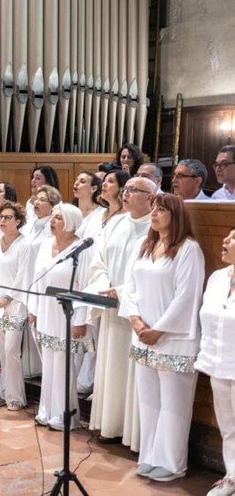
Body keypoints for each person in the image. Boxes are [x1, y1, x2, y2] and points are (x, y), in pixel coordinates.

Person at [120, 193, 205, 482]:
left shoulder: (188, 249)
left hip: (173, 338)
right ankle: (150, 456)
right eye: (153, 208)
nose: (154, 213)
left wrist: (159, 329)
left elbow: (186, 296)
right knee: (149, 401)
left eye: (161, 209)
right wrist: (135, 319)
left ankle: (171, 463)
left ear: (176, 215)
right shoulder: (144, 245)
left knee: (174, 404)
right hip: (142, 334)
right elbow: (129, 285)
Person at [87, 176, 155, 448]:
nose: (125, 194)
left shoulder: (156, 226)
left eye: (133, 190)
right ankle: (111, 425)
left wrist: (123, 290)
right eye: (125, 190)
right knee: (111, 367)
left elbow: (153, 271)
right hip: (112, 309)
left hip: (138, 314)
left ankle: (132, 433)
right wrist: (105, 285)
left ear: (151, 197)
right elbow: (98, 261)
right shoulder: (115, 223)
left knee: (132, 372)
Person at [29, 203, 92, 431]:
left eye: (57, 218)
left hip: (67, 314)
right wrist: (33, 308)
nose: (52, 221)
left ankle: (65, 415)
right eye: (52, 217)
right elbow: (37, 278)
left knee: (64, 366)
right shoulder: (46, 245)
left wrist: (81, 320)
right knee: (49, 364)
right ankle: (46, 410)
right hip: (46, 311)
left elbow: (85, 287)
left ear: (70, 222)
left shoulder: (82, 249)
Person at [196, 228, 235, 496]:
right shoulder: (218, 277)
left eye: (233, 239)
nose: (225, 241)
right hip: (219, 362)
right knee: (228, 425)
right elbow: (207, 318)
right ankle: (232, 476)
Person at [0, 202, 32, 411]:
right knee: (2, 352)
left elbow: (23, 276)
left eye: (8, 217)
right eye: (1, 217)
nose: (2, 221)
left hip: (15, 305)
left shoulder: (25, 244)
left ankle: (16, 397)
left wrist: (7, 299)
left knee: (12, 350)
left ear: (18, 221)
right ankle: (4, 390)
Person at [71, 171, 107, 395]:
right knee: (75, 328)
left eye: (82, 181)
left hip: (90, 275)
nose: (76, 183)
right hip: (72, 274)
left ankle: (89, 379)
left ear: (94, 188)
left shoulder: (101, 214)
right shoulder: (71, 212)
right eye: (76, 180)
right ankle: (75, 376)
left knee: (91, 328)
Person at [21, 184, 61, 378]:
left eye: (42, 199)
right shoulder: (30, 224)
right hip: (25, 278)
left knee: (39, 325)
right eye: (36, 198)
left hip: (41, 280)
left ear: (53, 205)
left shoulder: (51, 227)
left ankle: (44, 370)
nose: (37, 202)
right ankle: (30, 368)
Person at [25, 166, 59, 231]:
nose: (32, 181)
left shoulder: (57, 204)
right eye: (32, 178)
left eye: (37, 178)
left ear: (48, 182)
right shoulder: (29, 202)